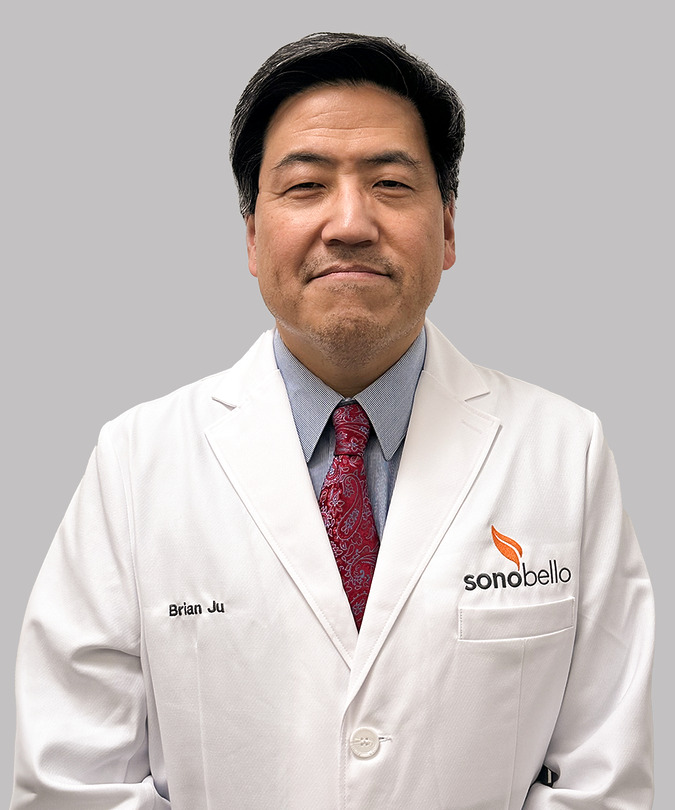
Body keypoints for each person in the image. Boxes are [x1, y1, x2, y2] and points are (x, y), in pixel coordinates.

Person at [11, 32, 654, 809]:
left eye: (390, 183)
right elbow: (73, 785)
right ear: (252, 236)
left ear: (449, 229)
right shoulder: (136, 463)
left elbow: (603, 782)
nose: (349, 223)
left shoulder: (563, 453)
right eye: (306, 185)